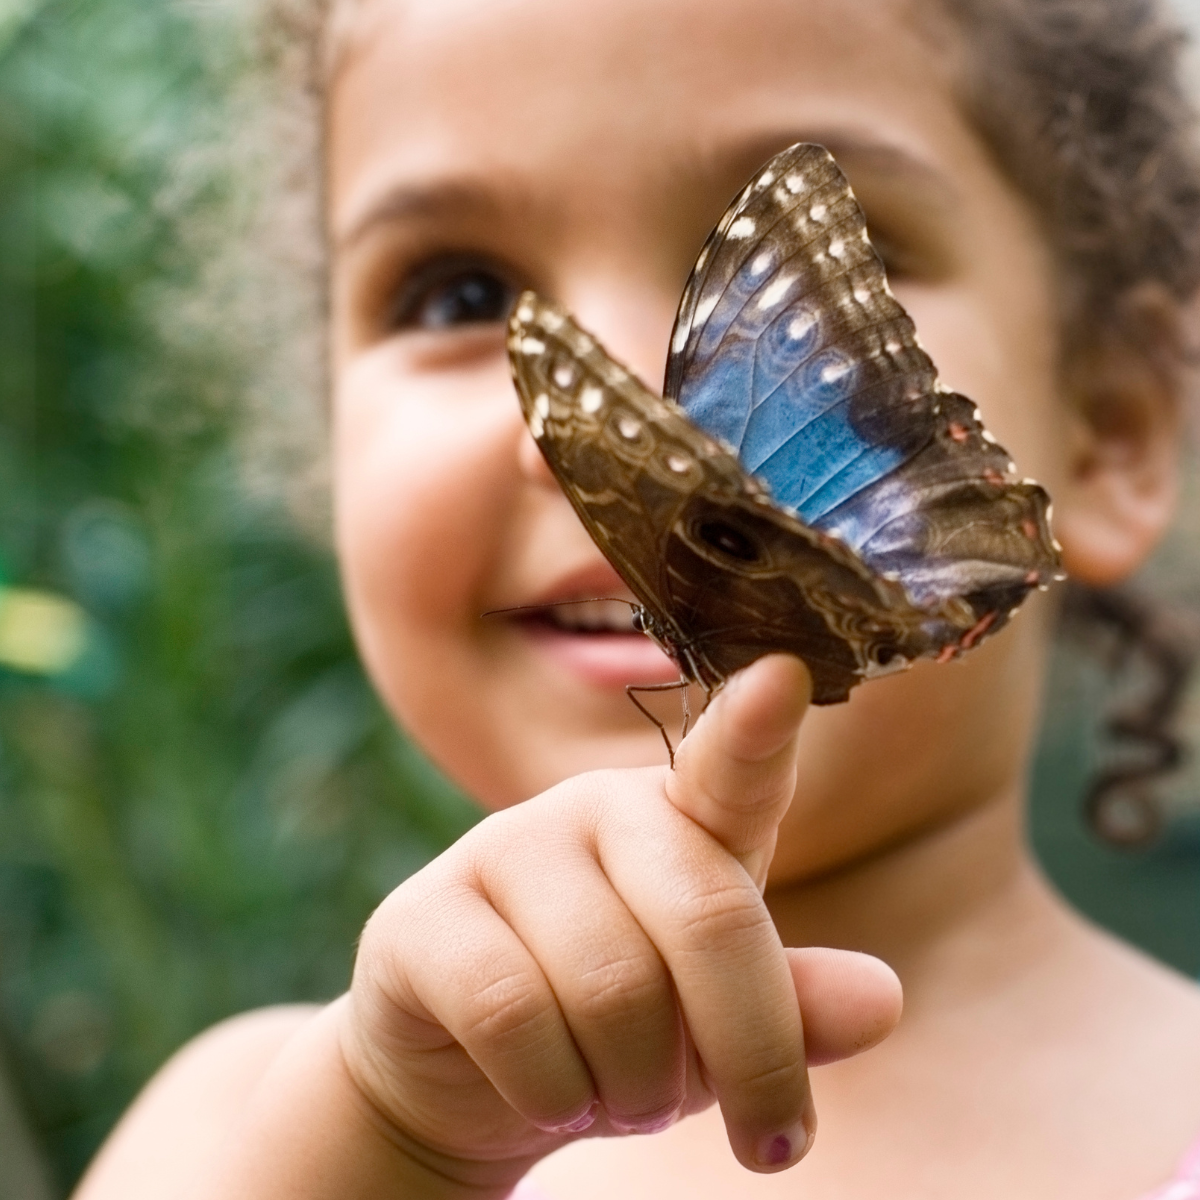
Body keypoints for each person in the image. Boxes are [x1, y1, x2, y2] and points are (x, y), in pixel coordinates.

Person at [73, 0, 1200, 1197]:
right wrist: (384, 1149)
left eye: (864, 240)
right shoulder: (233, 1136)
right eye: (460, 293)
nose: (631, 393)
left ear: (1115, 424)